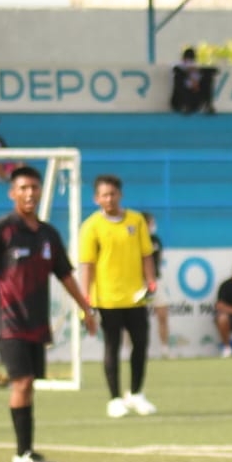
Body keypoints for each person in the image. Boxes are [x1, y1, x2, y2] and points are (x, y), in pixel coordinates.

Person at [0, 165, 98, 462]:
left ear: (41, 191)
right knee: (23, 381)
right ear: (12, 193)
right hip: (7, 319)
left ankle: (27, 450)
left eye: (34, 188)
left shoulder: (48, 235)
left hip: (36, 321)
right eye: (23, 189)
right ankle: (22, 455)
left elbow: (65, 275)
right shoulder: (2, 230)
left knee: (30, 384)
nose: (29, 194)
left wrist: (85, 307)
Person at [79, 174, 158, 417]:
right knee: (111, 347)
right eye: (104, 195)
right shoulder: (91, 226)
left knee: (141, 344)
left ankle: (136, 393)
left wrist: (151, 282)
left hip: (135, 297)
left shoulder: (136, 221)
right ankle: (114, 398)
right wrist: (85, 300)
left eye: (113, 194)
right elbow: (87, 264)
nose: (109, 198)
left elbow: (146, 254)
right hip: (107, 298)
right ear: (96, 198)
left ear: (120, 195)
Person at [144, 212, 172, 356]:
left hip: (155, 281)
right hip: (138, 283)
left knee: (162, 314)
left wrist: (153, 279)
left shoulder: (156, 240)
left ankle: (165, 348)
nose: (153, 226)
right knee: (136, 319)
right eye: (150, 223)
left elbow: (158, 259)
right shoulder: (134, 240)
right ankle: (131, 350)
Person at [169, 47, 218, 115]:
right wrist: (189, 72)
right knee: (178, 77)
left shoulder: (196, 66)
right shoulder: (178, 65)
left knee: (208, 77)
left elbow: (214, 70)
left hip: (195, 94)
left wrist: (196, 79)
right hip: (181, 99)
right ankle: (185, 105)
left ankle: (208, 105)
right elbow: (177, 69)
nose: (189, 62)